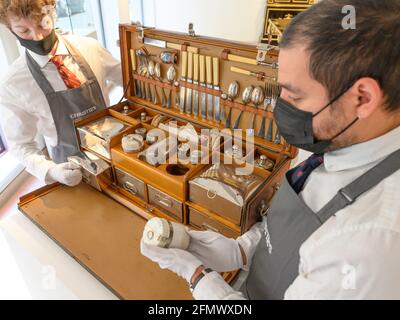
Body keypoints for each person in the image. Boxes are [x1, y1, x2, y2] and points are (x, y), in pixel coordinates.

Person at [141, 0, 400, 299]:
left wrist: (195, 275)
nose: (283, 109)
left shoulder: (370, 243)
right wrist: (240, 251)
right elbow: (292, 231)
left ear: (362, 98)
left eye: (294, 96)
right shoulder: (337, 137)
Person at [0, 0, 122, 186]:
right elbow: (20, 145)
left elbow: (129, 81)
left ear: (52, 12)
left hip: (116, 152)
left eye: (43, 23)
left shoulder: (90, 48)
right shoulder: (13, 83)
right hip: (68, 170)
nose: (37, 36)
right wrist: (50, 170)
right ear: (10, 30)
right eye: (24, 31)